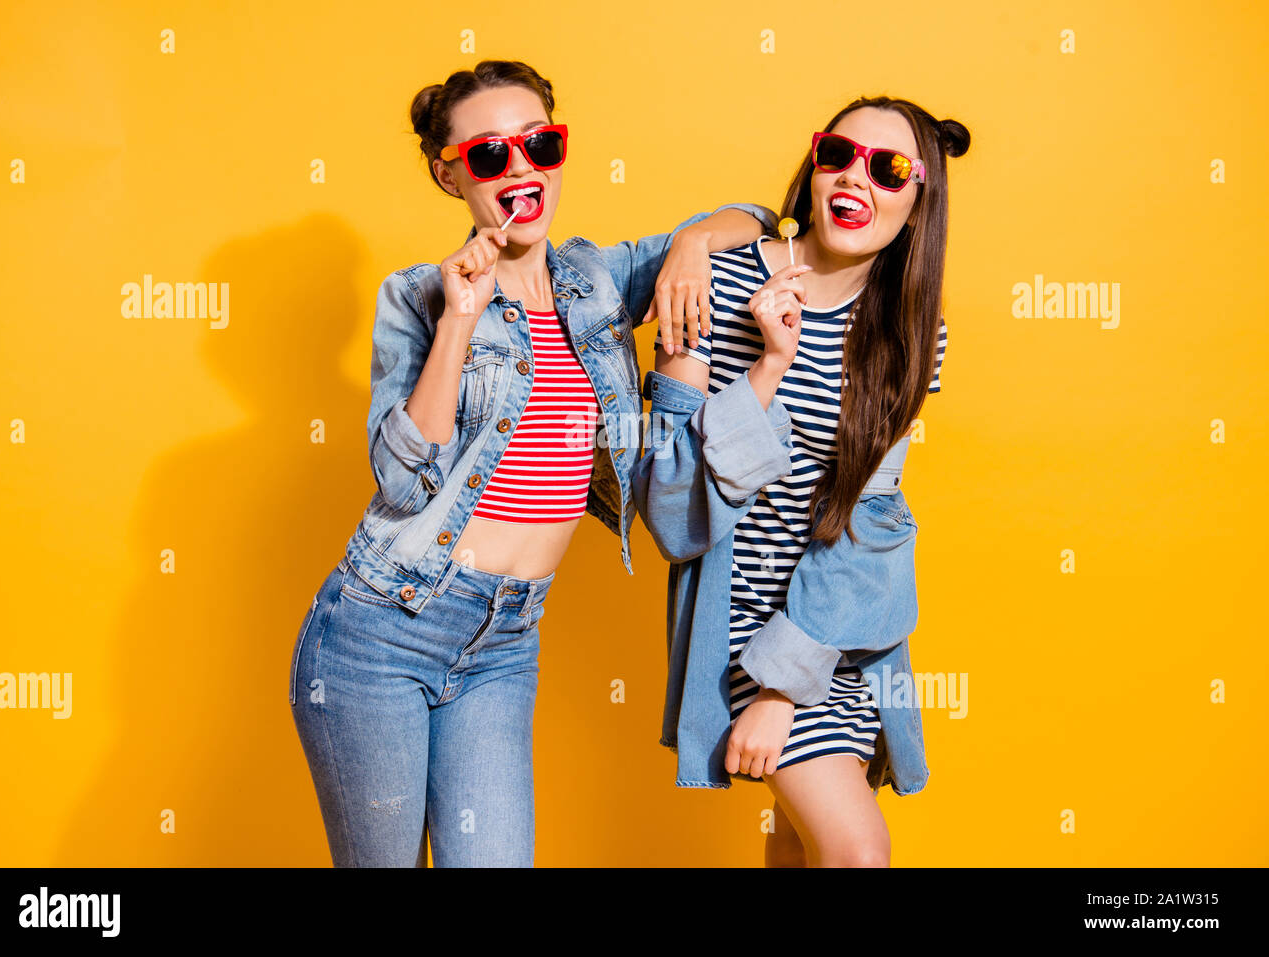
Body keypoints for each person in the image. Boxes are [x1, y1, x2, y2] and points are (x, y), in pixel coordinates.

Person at [288, 58, 777, 867]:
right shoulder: (417, 296)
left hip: (507, 639)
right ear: (451, 176)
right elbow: (403, 479)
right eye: (489, 155)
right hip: (382, 629)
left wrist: (691, 240)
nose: (520, 169)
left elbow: (762, 219)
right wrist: (459, 321)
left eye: (539, 144)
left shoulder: (599, 280)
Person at [633, 95, 969, 866]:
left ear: (918, 204)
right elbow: (670, 507)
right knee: (857, 852)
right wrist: (766, 369)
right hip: (740, 627)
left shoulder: (913, 336)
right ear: (813, 166)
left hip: (840, 631)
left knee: (801, 848)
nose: (857, 178)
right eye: (838, 154)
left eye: (889, 169)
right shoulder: (710, 286)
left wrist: (791, 685)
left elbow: (871, 521)